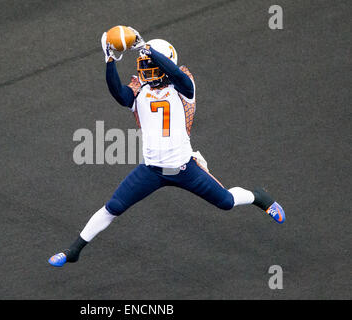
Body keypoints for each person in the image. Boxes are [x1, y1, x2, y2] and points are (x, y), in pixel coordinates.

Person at [49, 28, 285, 267]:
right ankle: (74, 250)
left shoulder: (183, 88)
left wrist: (146, 48)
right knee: (113, 207)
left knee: (225, 202)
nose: (146, 68)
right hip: (152, 170)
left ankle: (258, 196)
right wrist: (110, 60)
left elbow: (175, 73)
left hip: (185, 168)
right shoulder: (139, 91)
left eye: (151, 63)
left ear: (164, 64)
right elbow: (117, 93)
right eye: (144, 63)